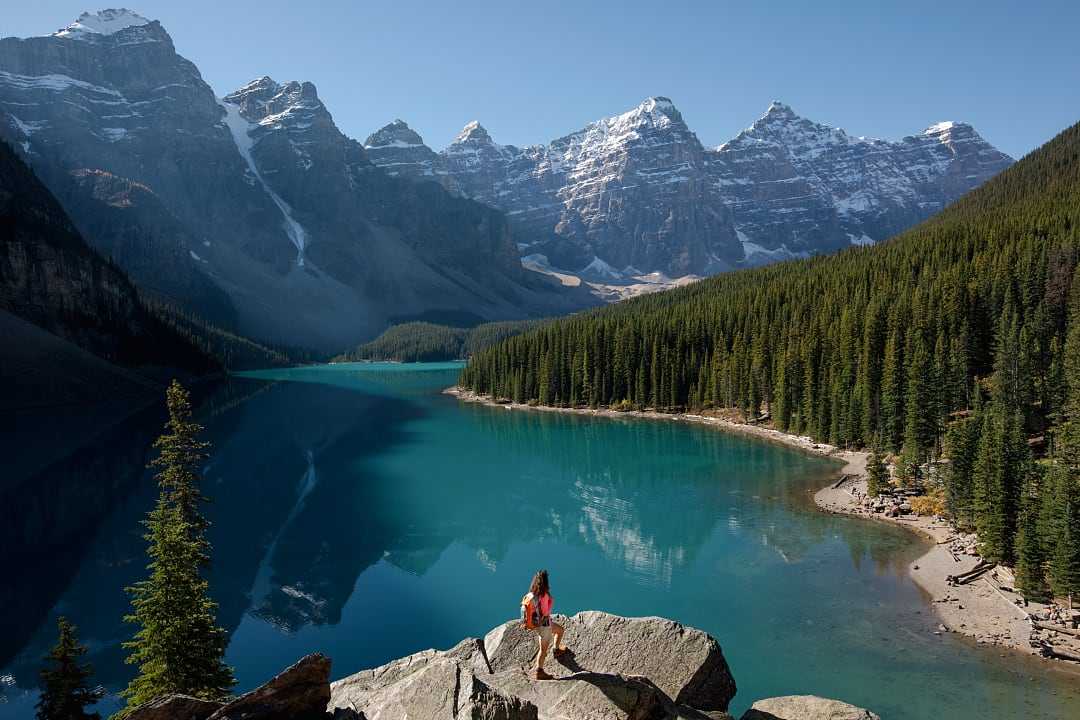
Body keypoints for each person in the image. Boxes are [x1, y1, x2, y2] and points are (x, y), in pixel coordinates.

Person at [521, 569, 568, 680]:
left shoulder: (530, 594)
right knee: (543, 650)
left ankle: (556, 650)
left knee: (560, 630)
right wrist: (550, 600)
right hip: (544, 625)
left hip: (536, 624)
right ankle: (539, 671)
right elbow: (546, 612)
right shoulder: (544, 595)